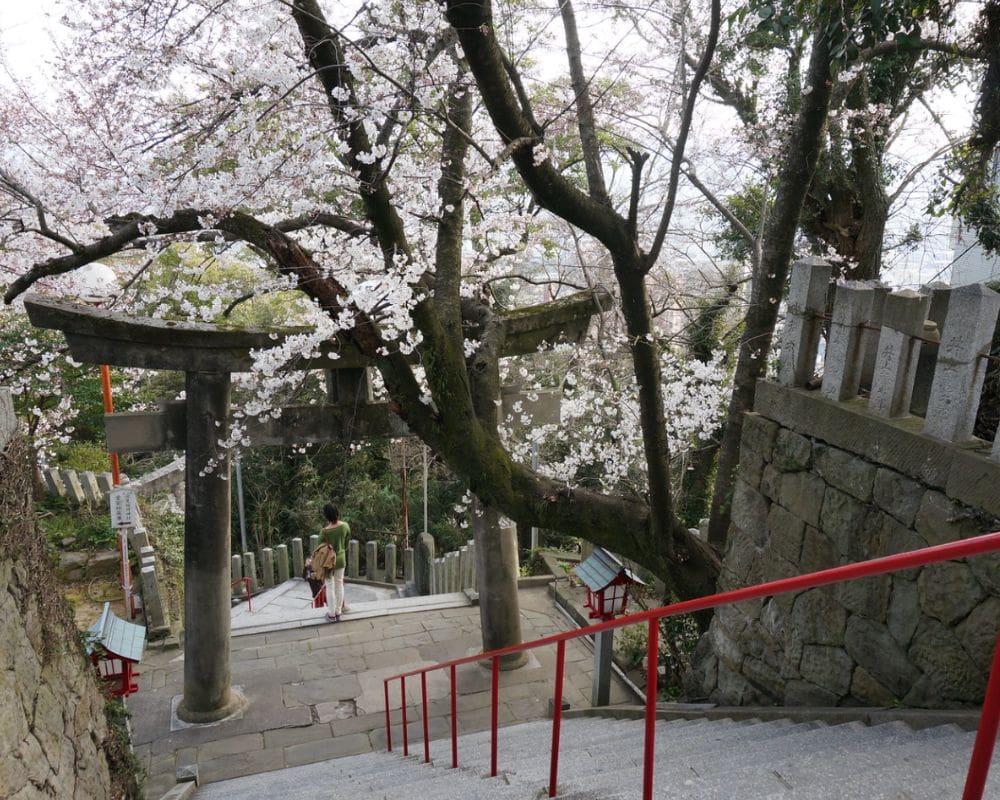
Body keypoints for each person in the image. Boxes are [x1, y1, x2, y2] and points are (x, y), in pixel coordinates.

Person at [321, 503, 350, 622]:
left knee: (330, 586)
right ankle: (338, 612)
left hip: (329, 561)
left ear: (326, 517)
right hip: (341, 558)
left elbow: (320, 546)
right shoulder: (345, 526)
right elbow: (346, 542)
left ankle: (331, 614)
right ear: (337, 513)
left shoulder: (324, 531)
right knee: (339, 584)